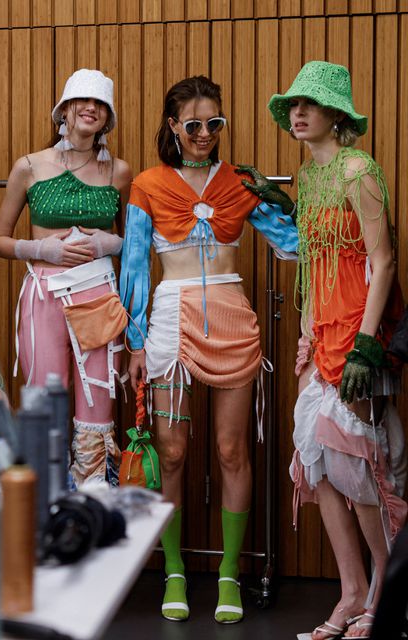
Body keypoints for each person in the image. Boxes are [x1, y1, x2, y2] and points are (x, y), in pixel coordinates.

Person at [119, 76, 298, 624]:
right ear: (173, 125)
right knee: (171, 451)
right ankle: (173, 567)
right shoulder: (148, 184)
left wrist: (282, 201)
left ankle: (228, 574)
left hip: (229, 313)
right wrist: (136, 341)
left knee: (231, 450)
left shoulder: (241, 181)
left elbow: (292, 246)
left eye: (213, 123)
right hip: (170, 316)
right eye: (192, 124)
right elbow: (132, 266)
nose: (203, 134)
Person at [266, 61, 406, 639]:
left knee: (361, 469)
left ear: (336, 115)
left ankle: (384, 588)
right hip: (318, 333)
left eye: (311, 105)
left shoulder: (358, 171)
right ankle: (351, 591)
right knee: (317, 464)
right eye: (294, 106)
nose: (298, 114)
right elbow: (312, 266)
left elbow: (384, 262)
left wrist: (366, 347)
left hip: (358, 336)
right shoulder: (308, 177)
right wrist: (305, 340)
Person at [0, 68, 131, 487]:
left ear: (107, 117)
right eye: (81, 102)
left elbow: (134, 241)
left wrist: (113, 244)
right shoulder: (29, 166)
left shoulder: (118, 172)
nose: (90, 109)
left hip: (98, 297)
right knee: (46, 399)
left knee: (97, 404)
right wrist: (39, 249)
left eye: (100, 104)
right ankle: (43, 509)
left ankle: (92, 505)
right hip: (44, 295)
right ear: (63, 111)